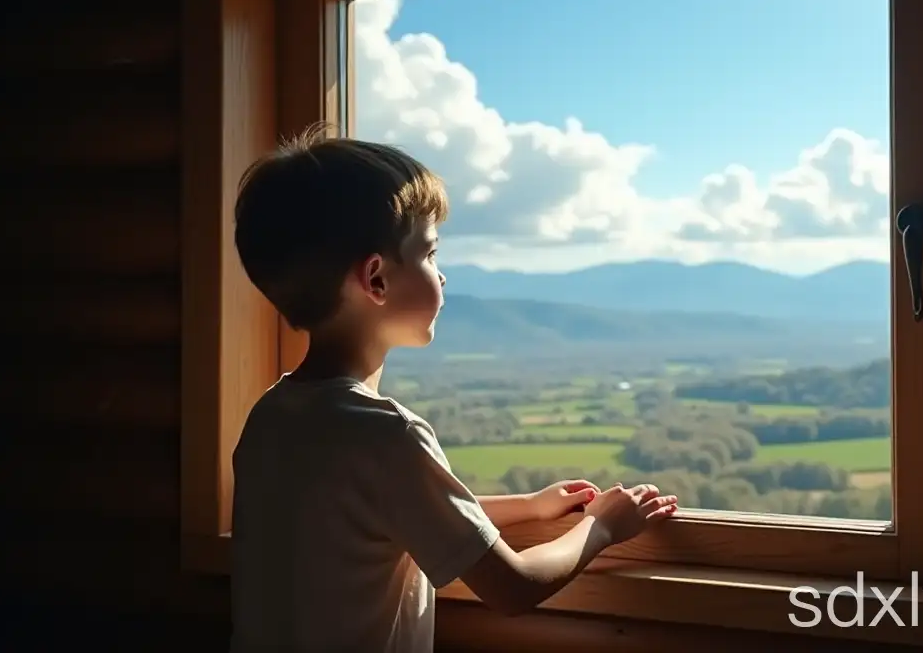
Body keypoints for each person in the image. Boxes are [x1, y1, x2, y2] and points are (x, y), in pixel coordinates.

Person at [227, 129, 678, 652]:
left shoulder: (273, 416)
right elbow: (513, 585)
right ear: (375, 279)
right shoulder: (385, 433)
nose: (443, 278)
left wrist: (529, 507)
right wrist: (600, 527)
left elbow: (385, 512)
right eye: (430, 254)